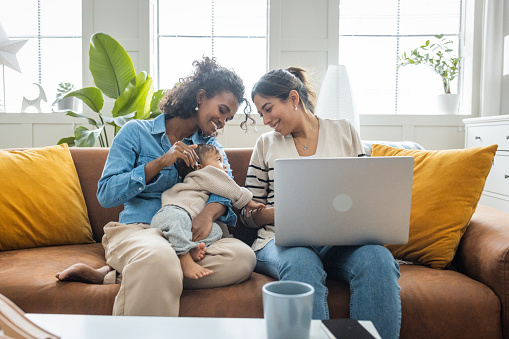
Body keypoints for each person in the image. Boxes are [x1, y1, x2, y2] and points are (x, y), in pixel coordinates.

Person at [56, 56, 257, 317]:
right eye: (221, 111)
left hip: (191, 237)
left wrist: (207, 216)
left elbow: (225, 192)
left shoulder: (212, 149)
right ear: (200, 97)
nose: (222, 122)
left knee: (242, 258)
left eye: (228, 118)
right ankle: (151, 268)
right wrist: (161, 162)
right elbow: (106, 194)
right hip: (140, 229)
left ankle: (120, 274)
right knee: (158, 259)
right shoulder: (135, 133)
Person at [240, 67, 401, 339]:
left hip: (341, 243)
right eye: (261, 113)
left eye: (269, 109)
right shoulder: (265, 144)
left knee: (378, 258)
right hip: (281, 242)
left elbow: (365, 194)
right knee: (301, 262)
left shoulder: (344, 131)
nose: (266, 120)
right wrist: (275, 214)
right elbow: (246, 213)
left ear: (293, 98)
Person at [150, 143, 265, 280]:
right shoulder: (202, 175)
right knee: (178, 219)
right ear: (199, 167)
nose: (224, 166)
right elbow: (228, 187)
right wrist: (247, 201)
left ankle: (191, 248)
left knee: (217, 230)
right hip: (171, 213)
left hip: (188, 225)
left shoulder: (208, 181)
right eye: (218, 161)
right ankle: (184, 259)